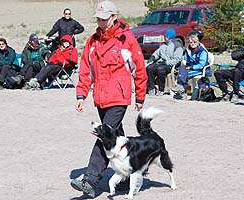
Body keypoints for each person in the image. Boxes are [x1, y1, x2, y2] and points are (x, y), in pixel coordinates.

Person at [70, 1, 147, 198]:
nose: (101, 22)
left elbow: (139, 68)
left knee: (104, 136)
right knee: (117, 136)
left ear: (114, 17)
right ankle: (128, 175)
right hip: (100, 97)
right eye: (98, 18)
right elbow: (86, 70)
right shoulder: (92, 41)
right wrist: (81, 94)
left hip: (119, 97)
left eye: (104, 18)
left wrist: (139, 95)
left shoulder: (126, 39)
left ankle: (90, 179)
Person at [173, 30, 209, 100]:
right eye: (191, 42)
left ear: (198, 42)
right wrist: (184, 62)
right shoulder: (188, 49)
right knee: (181, 70)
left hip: (200, 69)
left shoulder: (202, 52)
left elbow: (201, 65)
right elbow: (186, 59)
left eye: (194, 42)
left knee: (184, 74)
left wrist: (191, 67)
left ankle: (182, 89)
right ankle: (181, 89)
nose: (192, 44)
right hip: (189, 67)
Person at [146, 28, 183, 96]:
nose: (164, 37)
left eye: (165, 36)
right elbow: (157, 53)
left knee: (160, 69)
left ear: (169, 37)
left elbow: (177, 59)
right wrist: (153, 57)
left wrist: (167, 63)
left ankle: (161, 89)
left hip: (169, 65)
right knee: (149, 68)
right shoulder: (163, 45)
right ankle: (151, 88)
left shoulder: (177, 46)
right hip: (161, 62)